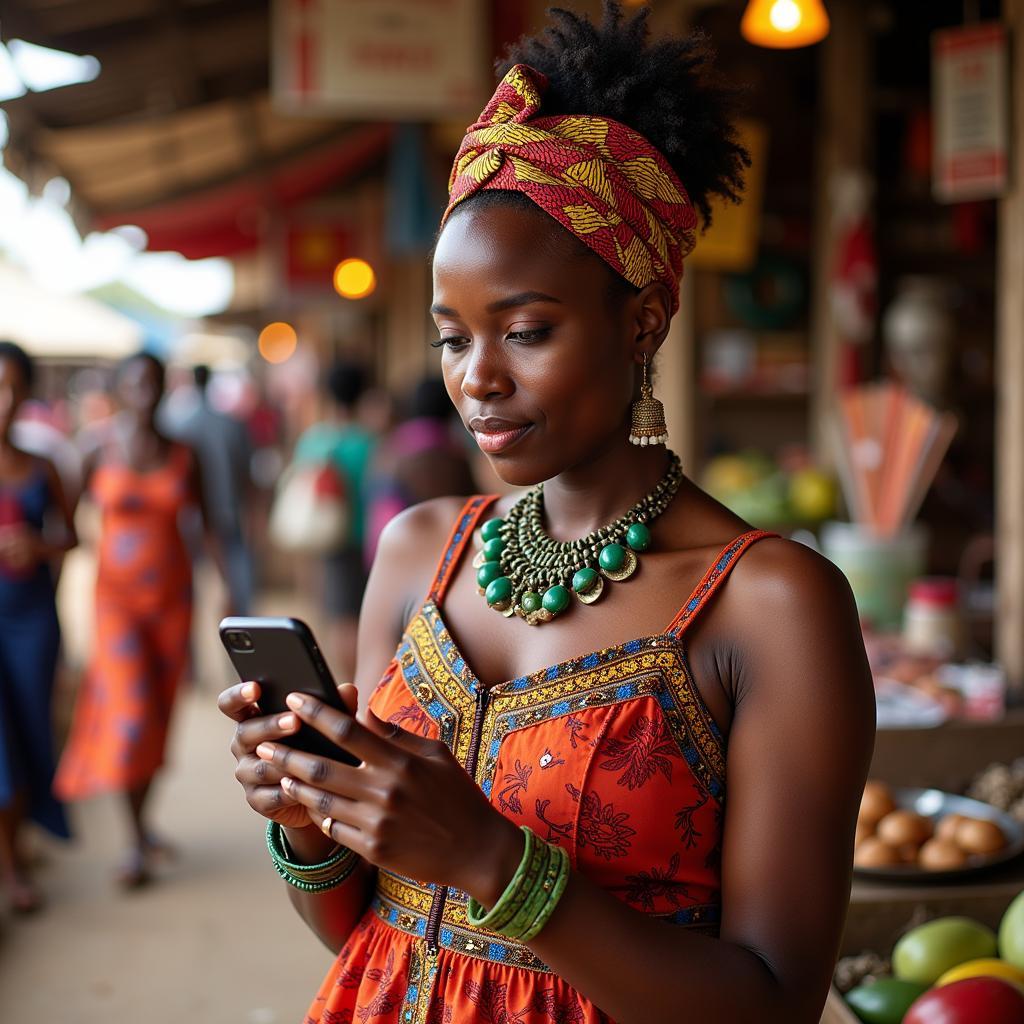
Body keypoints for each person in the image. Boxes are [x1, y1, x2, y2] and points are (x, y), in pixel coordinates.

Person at [220, 6, 874, 1022]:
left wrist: (489, 857)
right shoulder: (417, 552)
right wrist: (310, 822)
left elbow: (771, 1004)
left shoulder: (769, 605)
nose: (477, 379)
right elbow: (372, 934)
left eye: (525, 330)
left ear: (643, 318)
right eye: (450, 338)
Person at [55, 351, 220, 888]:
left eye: (153, 382)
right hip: (117, 606)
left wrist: (231, 595)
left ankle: (143, 824)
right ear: (122, 390)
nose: (144, 391)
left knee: (157, 714)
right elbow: (65, 529)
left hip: (172, 604)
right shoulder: (95, 449)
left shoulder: (183, 454)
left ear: (164, 388)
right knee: (129, 712)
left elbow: (211, 525)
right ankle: (132, 843)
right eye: (135, 383)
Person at [0, 341, 77, 913]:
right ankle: (10, 869)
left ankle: (21, 846)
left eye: (9, 388)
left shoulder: (42, 465)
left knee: (31, 730)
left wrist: (38, 545)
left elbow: (72, 538)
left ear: (25, 393)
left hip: (33, 620)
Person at [292, 361, 376, 681]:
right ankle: (359, 683)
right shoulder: (372, 442)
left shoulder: (315, 440)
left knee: (340, 619)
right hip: (367, 539)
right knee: (359, 619)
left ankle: (348, 684)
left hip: (327, 540)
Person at [168, 364, 254, 615]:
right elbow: (245, 469)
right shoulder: (229, 424)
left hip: (194, 516)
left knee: (191, 581)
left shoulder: (181, 425)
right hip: (227, 509)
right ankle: (237, 634)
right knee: (234, 577)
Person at [364, 376, 477, 564]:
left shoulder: (394, 446)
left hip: (396, 546)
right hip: (445, 551)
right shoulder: (457, 450)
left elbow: (375, 494)